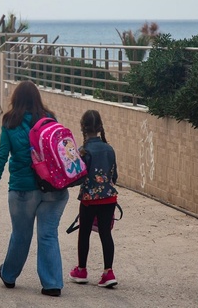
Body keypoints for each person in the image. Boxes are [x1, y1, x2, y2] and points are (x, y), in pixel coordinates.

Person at [0, 80, 69, 297]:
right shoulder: (49, 118)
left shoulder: (10, 121)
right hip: (54, 190)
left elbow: (2, 154)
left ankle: (9, 275)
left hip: (23, 189)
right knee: (48, 235)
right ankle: (52, 284)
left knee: (21, 235)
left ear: (16, 98)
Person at [69, 109, 119, 288]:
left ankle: (81, 270)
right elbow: (114, 177)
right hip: (109, 199)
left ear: (83, 127)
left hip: (89, 199)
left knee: (84, 232)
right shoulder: (109, 149)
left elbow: (78, 177)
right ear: (100, 127)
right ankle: (108, 272)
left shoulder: (83, 151)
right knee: (106, 233)